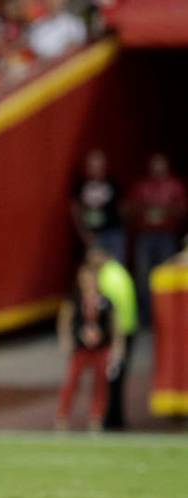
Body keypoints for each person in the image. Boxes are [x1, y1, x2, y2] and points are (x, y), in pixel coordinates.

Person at [55, 265, 124, 431]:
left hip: (101, 348)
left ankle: (96, 419)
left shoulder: (106, 301)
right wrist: (67, 342)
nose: (88, 283)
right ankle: (62, 418)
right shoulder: (74, 300)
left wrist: (118, 348)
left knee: (100, 384)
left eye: (91, 279)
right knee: (72, 381)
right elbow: (64, 321)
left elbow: (115, 326)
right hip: (80, 348)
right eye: (85, 279)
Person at [126, 153, 186, 325]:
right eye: (154, 164)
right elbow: (130, 209)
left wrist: (166, 211)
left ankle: (167, 316)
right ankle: (146, 316)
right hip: (145, 236)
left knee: (167, 275)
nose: (157, 168)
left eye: (160, 164)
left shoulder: (175, 186)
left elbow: (182, 210)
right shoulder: (142, 186)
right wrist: (144, 212)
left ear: (167, 166)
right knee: (143, 276)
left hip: (167, 236)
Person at [86, 247, 137, 430]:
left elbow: (111, 310)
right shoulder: (118, 271)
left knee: (111, 378)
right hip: (128, 328)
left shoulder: (107, 278)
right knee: (117, 377)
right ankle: (116, 419)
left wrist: (114, 338)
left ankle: (111, 420)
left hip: (119, 333)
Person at [71, 149, 124, 263]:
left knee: (115, 268)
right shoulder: (81, 186)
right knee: (94, 272)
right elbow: (75, 211)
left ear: (103, 165)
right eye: (91, 165)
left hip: (113, 233)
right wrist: (84, 234)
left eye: (97, 165)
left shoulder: (112, 183)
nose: (94, 168)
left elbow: (123, 208)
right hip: (92, 236)